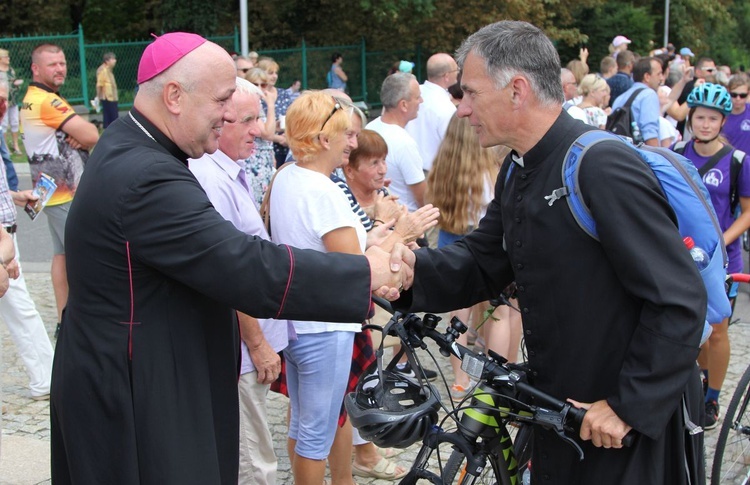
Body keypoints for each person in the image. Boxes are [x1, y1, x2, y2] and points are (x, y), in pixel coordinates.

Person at [50, 32, 410, 485]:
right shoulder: (146, 176)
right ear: (175, 96)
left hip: (142, 370)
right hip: (135, 387)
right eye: (222, 99)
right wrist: (364, 271)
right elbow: (242, 265)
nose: (230, 115)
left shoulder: (134, 145)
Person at [395, 20, 706, 484]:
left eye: (471, 93)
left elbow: (680, 297)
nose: (461, 110)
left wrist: (628, 405)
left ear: (516, 90)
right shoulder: (518, 167)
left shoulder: (600, 166)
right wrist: (407, 272)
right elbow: (483, 261)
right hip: (559, 410)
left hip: (619, 428)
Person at [188, 77, 288, 485]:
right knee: (252, 462)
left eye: (259, 118)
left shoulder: (229, 169)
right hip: (243, 351)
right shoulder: (210, 178)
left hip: (248, 347)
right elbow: (229, 273)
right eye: (247, 120)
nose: (259, 130)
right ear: (219, 120)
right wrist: (258, 343)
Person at [267, 91, 370, 485]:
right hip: (324, 326)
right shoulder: (322, 190)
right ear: (325, 140)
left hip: (297, 320)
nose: (353, 141)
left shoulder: (287, 176)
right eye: (346, 133)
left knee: (303, 426)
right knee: (316, 433)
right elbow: (352, 266)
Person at [671, 83, 750, 430]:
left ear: (722, 122)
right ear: (691, 119)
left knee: (717, 331)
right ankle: (699, 378)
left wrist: (720, 240)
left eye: (713, 119)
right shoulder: (674, 152)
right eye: (700, 117)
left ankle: (713, 396)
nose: (705, 124)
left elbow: (746, 212)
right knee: (692, 329)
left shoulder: (737, 161)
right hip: (680, 257)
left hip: (722, 261)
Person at [20, 43, 100, 339]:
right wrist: (78, 134)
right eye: (52, 64)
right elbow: (91, 134)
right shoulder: (46, 102)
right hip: (65, 191)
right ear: (36, 69)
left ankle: (64, 318)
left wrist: (74, 134)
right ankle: (80, 320)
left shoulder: (30, 98)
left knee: (61, 255)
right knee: (80, 254)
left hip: (48, 190)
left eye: (63, 63)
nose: (60, 69)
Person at [425, 113, 502, 400]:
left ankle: (460, 379)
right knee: (495, 315)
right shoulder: (488, 174)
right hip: (481, 245)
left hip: (450, 240)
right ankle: (491, 376)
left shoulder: (442, 169)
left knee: (458, 317)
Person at [0, 76, 53, 401]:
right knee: (21, 309)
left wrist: (15, 196)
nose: (4, 104)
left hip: (6, 237)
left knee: (21, 309)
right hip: (3, 241)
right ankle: (46, 379)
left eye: (6, 97)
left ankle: (45, 378)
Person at [367, 72, 425, 212]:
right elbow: (422, 197)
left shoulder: (370, 129)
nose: (421, 101)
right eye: (417, 97)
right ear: (404, 105)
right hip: (406, 220)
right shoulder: (404, 143)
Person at [405, 53, 458, 173]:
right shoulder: (446, 107)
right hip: (435, 173)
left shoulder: (414, 94)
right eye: (456, 69)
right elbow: (453, 147)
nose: (458, 72)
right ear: (446, 76)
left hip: (409, 168)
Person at [244, 67, 281, 206]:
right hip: (254, 163)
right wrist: (271, 105)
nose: (259, 88)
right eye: (255, 84)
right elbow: (267, 134)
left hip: (265, 160)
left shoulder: (258, 104)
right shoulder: (253, 105)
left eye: (263, 84)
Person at [611, 57, 664, 146]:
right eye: (659, 74)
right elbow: (650, 134)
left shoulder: (620, 98)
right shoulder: (649, 94)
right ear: (647, 77)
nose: (661, 78)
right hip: (639, 155)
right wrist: (658, 158)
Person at [257, 57, 292, 167]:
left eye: (276, 73)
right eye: (270, 73)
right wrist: (278, 139)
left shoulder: (283, 93)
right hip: (267, 148)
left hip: (287, 147)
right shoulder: (257, 96)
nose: (274, 76)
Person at [0, 49, 23, 154]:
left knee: (15, 122)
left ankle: (15, 145)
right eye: (6, 57)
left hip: (13, 100)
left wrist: (16, 83)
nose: (8, 58)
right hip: (3, 101)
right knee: (3, 124)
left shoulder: (11, 70)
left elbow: (13, 81)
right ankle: (5, 147)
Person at [723, 72, 750, 154]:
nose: (738, 99)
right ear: (728, 91)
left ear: (748, 93)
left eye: (742, 95)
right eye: (734, 95)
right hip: (728, 162)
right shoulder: (721, 114)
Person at [95, 52, 119, 128]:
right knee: (110, 116)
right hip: (107, 97)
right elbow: (100, 85)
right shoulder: (103, 70)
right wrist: (98, 97)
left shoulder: (109, 70)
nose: (115, 61)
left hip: (112, 96)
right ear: (107, 61)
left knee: (112, 116)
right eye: (113, 59)